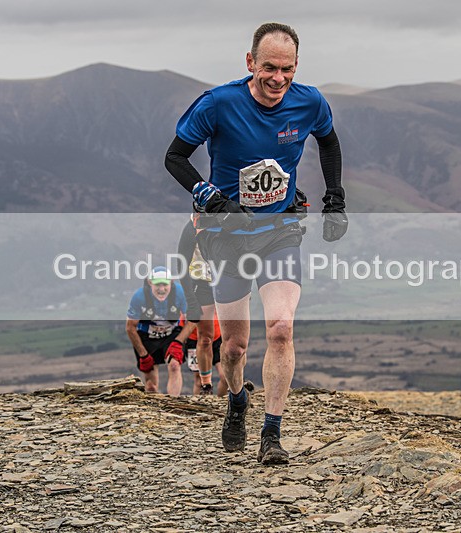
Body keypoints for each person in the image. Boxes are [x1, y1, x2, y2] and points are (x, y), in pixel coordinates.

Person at [165, 22, 347, 465]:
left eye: (287, 69)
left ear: (296, 67)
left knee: (281, 328)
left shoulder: (310, 102)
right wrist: (205, 194)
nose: (278, 78)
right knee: (233, 347)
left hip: (279, 230)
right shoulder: (218, 103)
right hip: (226, 239)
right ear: (251, 63)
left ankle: (272, 433)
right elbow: (175, 157)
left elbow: (329, 143)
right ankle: (236, 401)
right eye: (269, 67)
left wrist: (335, 198)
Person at [125, 266, 195, 395]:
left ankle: (173, 404)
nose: (161, 289)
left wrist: (179, 342)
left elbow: (192, 320)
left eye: (165, 285)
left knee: (174, 366)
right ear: (150, 283)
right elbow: (130, 327)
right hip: (146, 336)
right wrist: (143, 354)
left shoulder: (180, 293)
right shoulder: (139, 297)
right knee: (151, 386)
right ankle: (154, 410)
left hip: (171, 334)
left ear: (171, 282)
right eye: (157, 285)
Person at [177, 218, 225, 396]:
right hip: (201, 283)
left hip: (226, 280)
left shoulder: (229, 220)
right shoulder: (192, 225)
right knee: (205, 338)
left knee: (232, 337)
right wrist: (190, 299)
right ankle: (206, 385)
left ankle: (236, 382)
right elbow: (181, 264)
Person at [185, 314, 228, 396]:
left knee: (225, 376)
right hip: (194, 340)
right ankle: (200, 404)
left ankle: (220, 402)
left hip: (216, 337)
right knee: (199, 380)